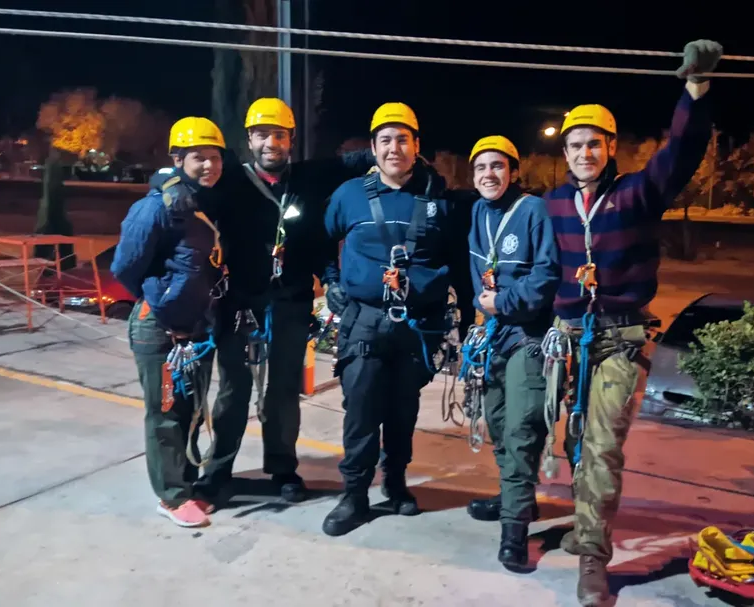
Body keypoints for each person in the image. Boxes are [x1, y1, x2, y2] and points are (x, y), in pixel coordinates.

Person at [544, 40, 723, 605]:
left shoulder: (638, 193)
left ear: (611, 146)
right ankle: (581, 527)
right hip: (569, 338)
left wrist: (694, 90)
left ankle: (595, 557)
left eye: (593, 144)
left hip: (620, 339)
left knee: (602, 446)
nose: (583, 153)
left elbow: (682, 152)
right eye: (574, 145)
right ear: (564, 152)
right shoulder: (551, 204)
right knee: (573, 441)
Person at [196, 98, 376, 506]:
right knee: (233, 390)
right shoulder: (230, 181)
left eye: (279, 134)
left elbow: (359, 161)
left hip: (291, 301)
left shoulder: (310, 178)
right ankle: (218, 469)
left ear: (291, 140)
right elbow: (187, 186)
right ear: (249, 140)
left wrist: (399, 146)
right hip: (239, 302)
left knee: (281, 393)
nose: (270, 142)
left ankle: (282, 468)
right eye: (262, 134)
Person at [319, 102, 474, 537]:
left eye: (402, 139)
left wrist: (468, 315)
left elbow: (458, 263)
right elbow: (320, 240)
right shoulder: (349, 195)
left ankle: (396, 482)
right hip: (364, 320)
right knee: (362, 410)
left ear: (416, 145)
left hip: (418, 326)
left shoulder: (438, 200)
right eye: (385, 140)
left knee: (403, 411)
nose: (394, 148)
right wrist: (330, 278)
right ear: (373, 148)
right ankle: (354, 494)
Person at [110, 116, 228, 528]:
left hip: (196, 330)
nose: (209, 166)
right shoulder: (155, 208)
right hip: (159, 329)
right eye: (199, 158)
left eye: (215, 157)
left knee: (190, 411)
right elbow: (124, 267)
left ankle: (186, 485)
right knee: (164, 415)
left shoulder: (203, 203)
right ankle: (171, 496)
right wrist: (160, 297)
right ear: (178, 158)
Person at [463, 135, 561, 570]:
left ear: (514, 172)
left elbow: (546, 274)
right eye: (481, 167)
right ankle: (514, 499)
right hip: (495, 336)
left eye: (498, 166)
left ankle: (515, 532)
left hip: (529, 337)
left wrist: (501, 303)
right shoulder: (478, 212)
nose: (489, 174)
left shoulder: (532, 211)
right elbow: (478, 276)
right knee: (499, 422)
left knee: (522, 431)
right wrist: (483, 315)